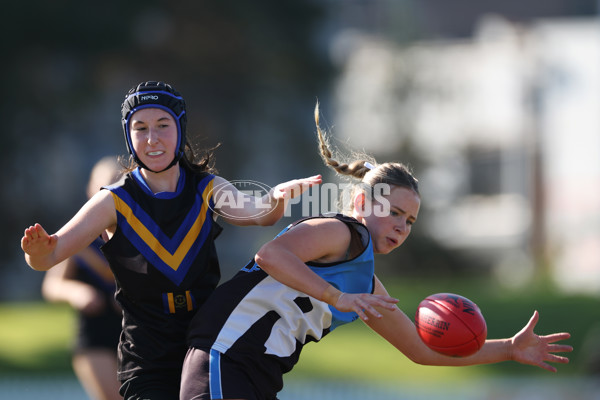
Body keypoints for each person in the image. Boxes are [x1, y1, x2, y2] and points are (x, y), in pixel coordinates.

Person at [180, 103, 573, 400]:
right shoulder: (341, 232)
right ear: (363, 204)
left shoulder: (364, 280)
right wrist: (337, 297)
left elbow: (420, 350)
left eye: (410, 221)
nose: (402, 226)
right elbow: (270, 255)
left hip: (254, 375)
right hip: (223, 356)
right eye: (394, 212)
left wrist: (508, 349)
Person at [21, 81, 322, 400]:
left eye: (163, 125)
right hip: (147, 355)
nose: (152, 139)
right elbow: (49, 257)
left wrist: (275, 198)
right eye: (140, 128)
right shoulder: (113, 201)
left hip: (206, 344)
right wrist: (37, 253)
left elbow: (259, 214)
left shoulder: (207, 188)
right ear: (129, 135)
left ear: (180, 128)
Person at [42, 156, 123, 400]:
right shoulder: (78, 236)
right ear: (91, 190)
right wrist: (78, 293)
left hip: (136, 330)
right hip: (95, 331)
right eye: (102, 188)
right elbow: (53, 285)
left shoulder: (140, 233)